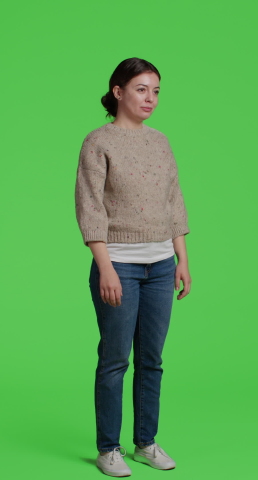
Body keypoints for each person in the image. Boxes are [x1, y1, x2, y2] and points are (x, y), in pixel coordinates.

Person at [75, 57, 191, 477]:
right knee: (114, 359)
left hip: (160, 264)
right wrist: (104, 267)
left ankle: (145, 442)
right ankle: (109, 448)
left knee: (152, 359)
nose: (150, 98)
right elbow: (90, 208)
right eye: (142, 89)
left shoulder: (160, 141)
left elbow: (173, 201)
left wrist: (182, 258)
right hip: (118, 264)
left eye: (156, 90)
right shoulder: (98, 142)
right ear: (118, 91)